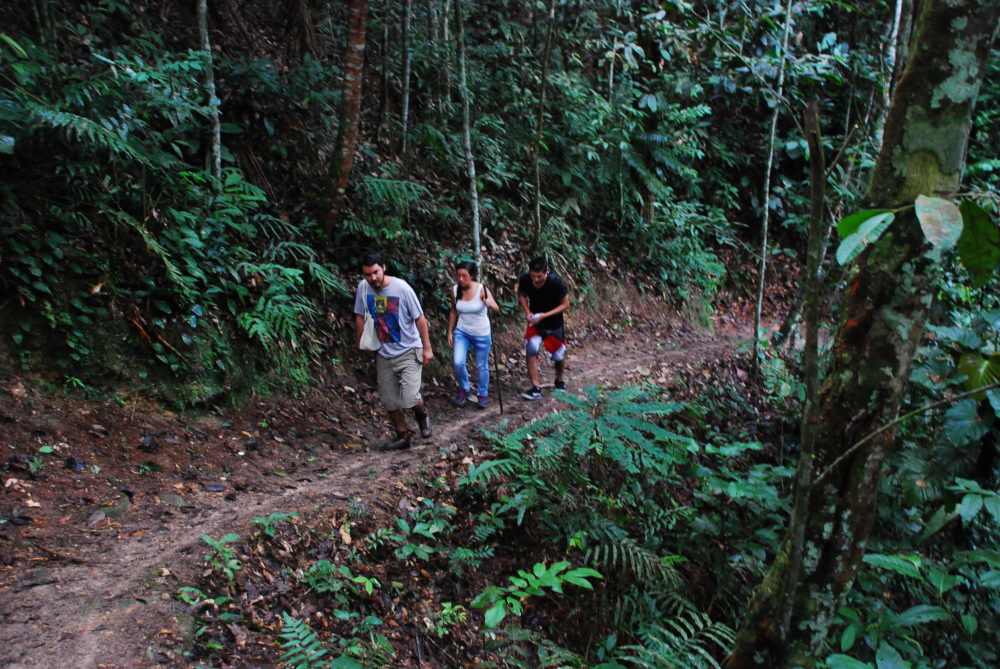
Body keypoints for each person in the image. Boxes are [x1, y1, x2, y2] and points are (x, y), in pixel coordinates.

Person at [354, 251, 434, 450]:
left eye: (375, 272)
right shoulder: (364, 288)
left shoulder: (402, 288)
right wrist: (359, 341)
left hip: (409, 349)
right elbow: (359, 315)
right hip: (384, 351)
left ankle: (422, 413)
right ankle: (403, 434)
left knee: (409, 397)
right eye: (367, 274)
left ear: (384, 268)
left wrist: (427, 348)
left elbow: (420, 319)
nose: (372, 278)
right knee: (389, 399)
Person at [447, 261, 500, 409]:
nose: (461, 279)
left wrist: (489, 302)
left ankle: (482, 394)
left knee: (481, 365)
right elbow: (453, 311)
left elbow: (496, 308)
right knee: (458, 362)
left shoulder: (482, 289)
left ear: (472, 276)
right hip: (462, 331)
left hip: (481, 333)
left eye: (464, 276)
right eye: (458, 275)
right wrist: (450, 331)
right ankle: (465, 388)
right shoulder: (455, 290)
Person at [517, 256, 569, 400]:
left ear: (547, 272)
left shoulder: (556, 283)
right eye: (533, 276)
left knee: (558, 355)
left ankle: (559, 380)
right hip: (535, 322)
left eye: (539, 276)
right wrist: (527, 311)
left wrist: (545, 315)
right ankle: (536, 387)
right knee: (531, 350)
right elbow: (521, 295)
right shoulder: (526, 280)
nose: (535, 280)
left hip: (554, 323)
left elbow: (565, 304)